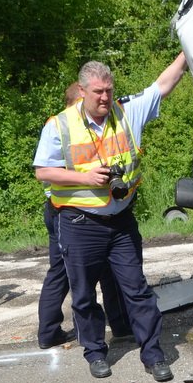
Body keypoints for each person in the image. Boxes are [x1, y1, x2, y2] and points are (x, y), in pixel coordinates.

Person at [33, 54, 187, 379]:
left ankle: (154, 356)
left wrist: (187, 53)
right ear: (83, 90)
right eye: (98, 92)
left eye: (108, 90)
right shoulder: (59, 124)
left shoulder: (126, 112)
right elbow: (42, 171)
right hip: (79, 223)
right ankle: (95, 352)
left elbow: (162, 85)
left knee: (138, 289)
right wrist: (85, 178)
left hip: (120, 222)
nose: (104, 97)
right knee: (84, 295)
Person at [37, 82, 133, 349]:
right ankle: (51, 332)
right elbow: (45, 173)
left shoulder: (81, 129)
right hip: (64, 212)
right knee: (68, 273)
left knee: (103, 271)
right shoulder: (62, 129)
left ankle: (120, 324)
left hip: (82, 210)